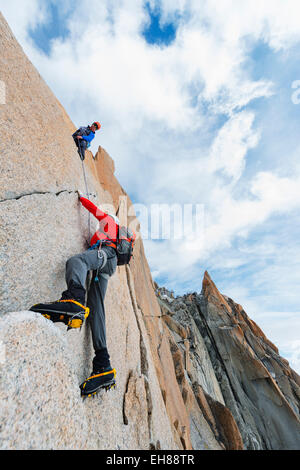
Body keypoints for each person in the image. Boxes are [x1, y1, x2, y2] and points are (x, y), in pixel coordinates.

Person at [30, 192, 131, 397]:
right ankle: (104, 366)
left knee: (77, 262)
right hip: (107, 266)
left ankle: (74, 301)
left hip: (107, 255)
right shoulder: (112, 236)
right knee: (96, 310)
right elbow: (92, 244)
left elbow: (95, 210)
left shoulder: (109, 221)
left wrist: (81, 197)